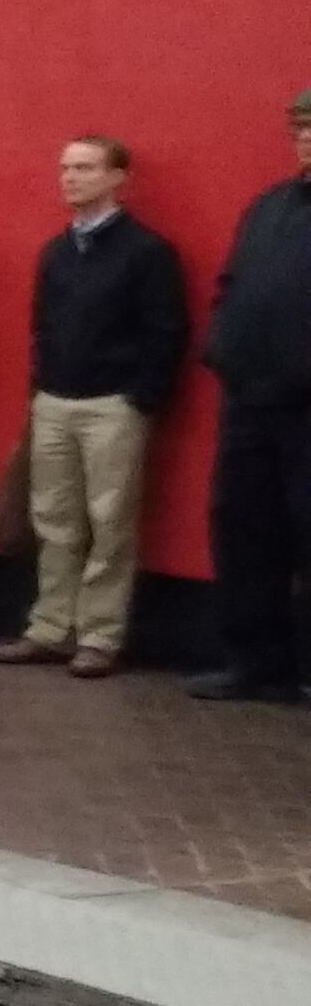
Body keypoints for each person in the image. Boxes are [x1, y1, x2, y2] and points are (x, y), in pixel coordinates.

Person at [0, 139, 187, 677]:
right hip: (54, 400)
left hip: (112, 406)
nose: (70, 178)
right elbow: (41, 328)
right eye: (66, 167)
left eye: (86, 168)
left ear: (119, 177)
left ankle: (100, 635)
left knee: (110, 521)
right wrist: (39, 390)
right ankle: (50, 628)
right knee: (53, 521)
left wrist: (140, 397)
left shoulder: (147, 252)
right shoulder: (56, 251)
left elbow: (166, 332)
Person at [193, 89, 311, 702]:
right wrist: (222, 346)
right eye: (300, 129)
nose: (305, 140)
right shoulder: (269, 206)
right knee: (245, 533)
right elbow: (234, 283)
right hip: (250, 402)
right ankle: (257, 664)